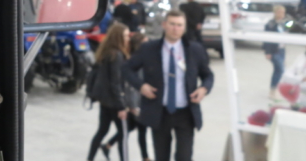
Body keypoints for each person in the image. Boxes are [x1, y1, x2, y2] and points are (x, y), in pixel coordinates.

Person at [122, 10, 214, 161]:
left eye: (179, 25)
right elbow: (126, 69)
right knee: (161, 156)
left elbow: (208, 75)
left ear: (184, 28)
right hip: (160, 112)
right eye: (172, 24)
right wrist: (141, 86)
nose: (175, 28)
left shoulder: (195, 50)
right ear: (164, 25)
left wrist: (204, 88)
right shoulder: (148, 48)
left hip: (186, 112)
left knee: (184, 157)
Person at [102, 33, 151, 161]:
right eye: (145, 43)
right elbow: (130, 86)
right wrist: (132, 106)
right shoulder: (134, 61)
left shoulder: (143, 59)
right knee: (140, 129)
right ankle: (145, 157)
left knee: (131, 128)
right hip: (134, 103)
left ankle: (108, 145)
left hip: (139, 102)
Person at [87, 22, 131, 161]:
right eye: (125, 36)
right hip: (114, 102)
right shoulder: (117, 55)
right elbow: (115, 83)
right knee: (123, 134)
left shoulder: (105, 52)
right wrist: (122, 106)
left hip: (104, 100)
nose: (128, 38)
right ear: (118, 37)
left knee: (102, 131)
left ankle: (90, 158)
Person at [263, 5, 287, 100]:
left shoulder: (283, 23)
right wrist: (267, 52)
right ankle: (274, 90)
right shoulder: (270, 24)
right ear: (275, 13)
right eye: (280, 12)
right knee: (280, 70)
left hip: (282, 49)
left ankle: (274, 90)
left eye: (283, 12)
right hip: (274, 50)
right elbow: (267, 39)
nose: (282, 14)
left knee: (277, 70)